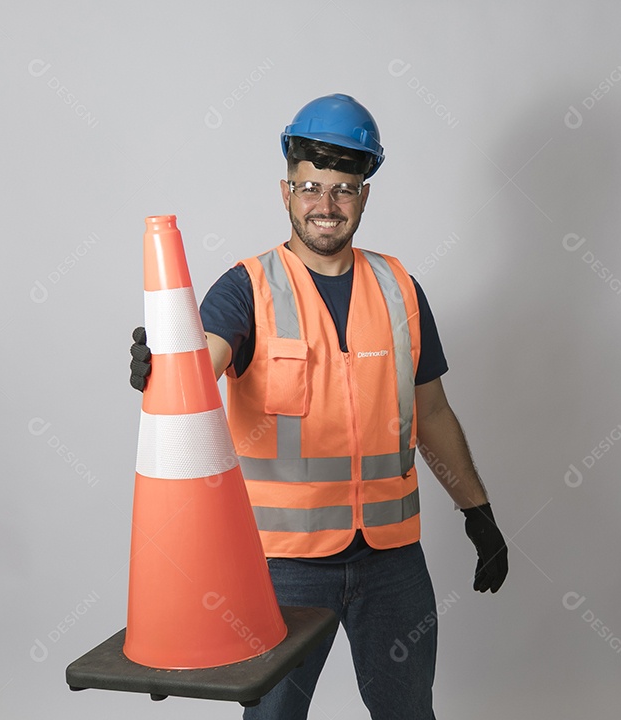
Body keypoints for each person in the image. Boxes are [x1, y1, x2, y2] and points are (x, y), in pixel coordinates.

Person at [129, 93, 507, 720]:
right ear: (285, 191)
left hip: (391, 561)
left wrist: (479, 512)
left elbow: (432, 413)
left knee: (410, 713)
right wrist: (163, 366)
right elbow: (200, 369)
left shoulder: (400, 288)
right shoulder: (247, 288)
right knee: (273, 716)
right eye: (309, 186)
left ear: (364, 195)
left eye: (342, 188)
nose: (324, 206)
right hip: (282, 569)